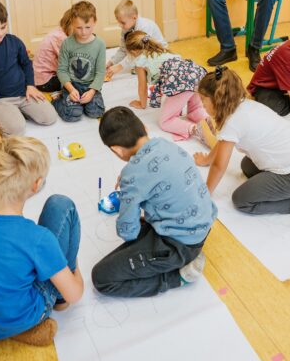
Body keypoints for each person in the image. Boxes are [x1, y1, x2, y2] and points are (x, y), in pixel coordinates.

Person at [0, 137, 84, 347]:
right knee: (61, 205)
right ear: (36, 184)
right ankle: (53, 305)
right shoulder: (38, 239)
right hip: (16, 318)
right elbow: (75, 295)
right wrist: (73, 267)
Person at [91, 107, 217, 297]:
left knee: (102, 278)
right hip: (203, 227)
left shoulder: (132, 176)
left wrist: (128, 193)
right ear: (144, 127)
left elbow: (128, 232)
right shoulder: (165, 144)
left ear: (116, 149)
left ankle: (177, 277)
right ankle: (183, 256)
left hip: (179, 245)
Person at [195, 67, 290, 215]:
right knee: (247, 166)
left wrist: (205, 194)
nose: (202, 104)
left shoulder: (233, 122)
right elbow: (223, 141)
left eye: (203, 100)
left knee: (242, 200)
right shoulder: (243, 104)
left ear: (217, 99)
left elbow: (219, 166)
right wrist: (207, 160)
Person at [0, 0, 56, 136]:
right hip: (0, 100)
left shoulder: (14, 41)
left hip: (24, 94)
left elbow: (26, 63)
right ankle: (9, 114)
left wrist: (31, 86)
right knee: (17, 130)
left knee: (49, 117)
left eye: (3, 27)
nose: (0, 33)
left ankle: (19, 112)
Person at [122, 31, 210, 141]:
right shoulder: (162, 50)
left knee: (165, 122)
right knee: (195, 109)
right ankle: (209, 121)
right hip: (197, 75)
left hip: (180, 82)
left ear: (134, 51)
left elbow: (142, 87)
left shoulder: (140, 61)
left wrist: (142, 104)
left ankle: (195, 130)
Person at [53, 1, 106, 121]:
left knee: (96, 112)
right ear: (72, 23)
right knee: (73, 114)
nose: (84, 32)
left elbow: (100, 72)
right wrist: (71, 89)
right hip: (72, 85)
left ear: (95, 22)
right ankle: (58, 101)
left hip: (90, 86)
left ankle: (80, 103)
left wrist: (92, 92)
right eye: (79, 28)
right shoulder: (67, 43)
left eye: (88, 27)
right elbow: (61, 70)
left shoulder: (100, 44)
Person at [105, 0, 167, 81]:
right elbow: (123, 49)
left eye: (122, 22)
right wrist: (112, 62)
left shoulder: (145, 27)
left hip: (156, 52)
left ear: (134, 17)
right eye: (118, 22)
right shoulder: (126, 28)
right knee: (133, 61)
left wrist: (119, 66)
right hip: (142, 52)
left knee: (150, 68)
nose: (120, 25)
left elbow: (139, 52)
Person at [32, 9, 73, 93]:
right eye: (77, 28)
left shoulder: (59, 31)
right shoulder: (61, 38)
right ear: (69, 24)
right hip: (45, 81)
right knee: (77, 79)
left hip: (39, 78)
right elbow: (70, 62)